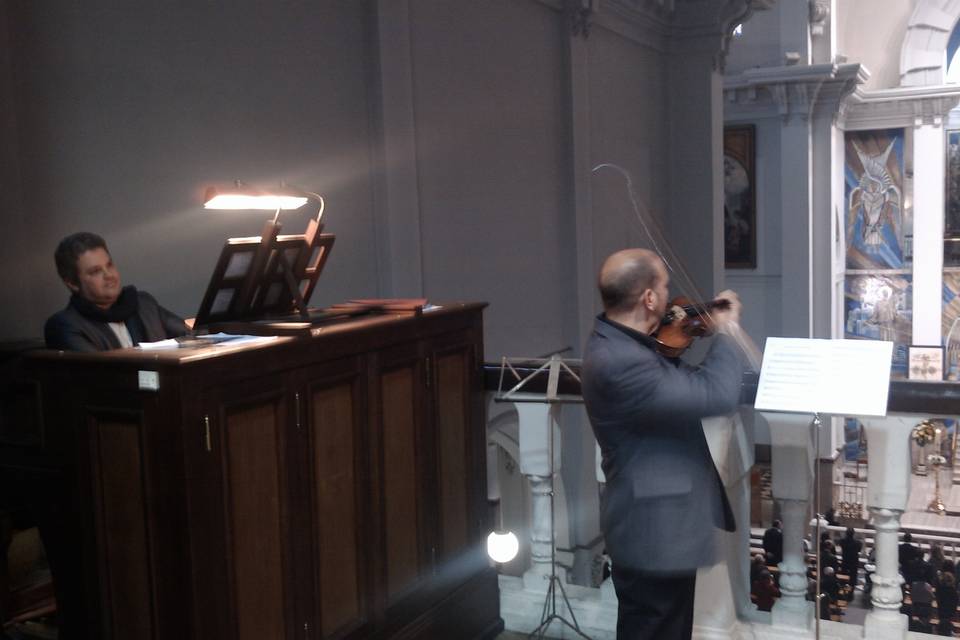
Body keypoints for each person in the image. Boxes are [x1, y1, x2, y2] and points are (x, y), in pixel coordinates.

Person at [581, 248, 745, 640]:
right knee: (655, 630)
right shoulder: (624, 360)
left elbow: (676, 382)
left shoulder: (620, 341)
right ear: (649, 299)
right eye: (664, 287)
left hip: (654, 524)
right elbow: (716, 394)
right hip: (653, 529)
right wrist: (726, 331)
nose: (672, 299)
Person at [45, 232, 189, 351]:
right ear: (72, 283)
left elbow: (190, 336)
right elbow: (103, 373)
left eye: (110, 265)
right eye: (95, 271)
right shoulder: (64, 325)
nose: (109, 275)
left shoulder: (143, 304)